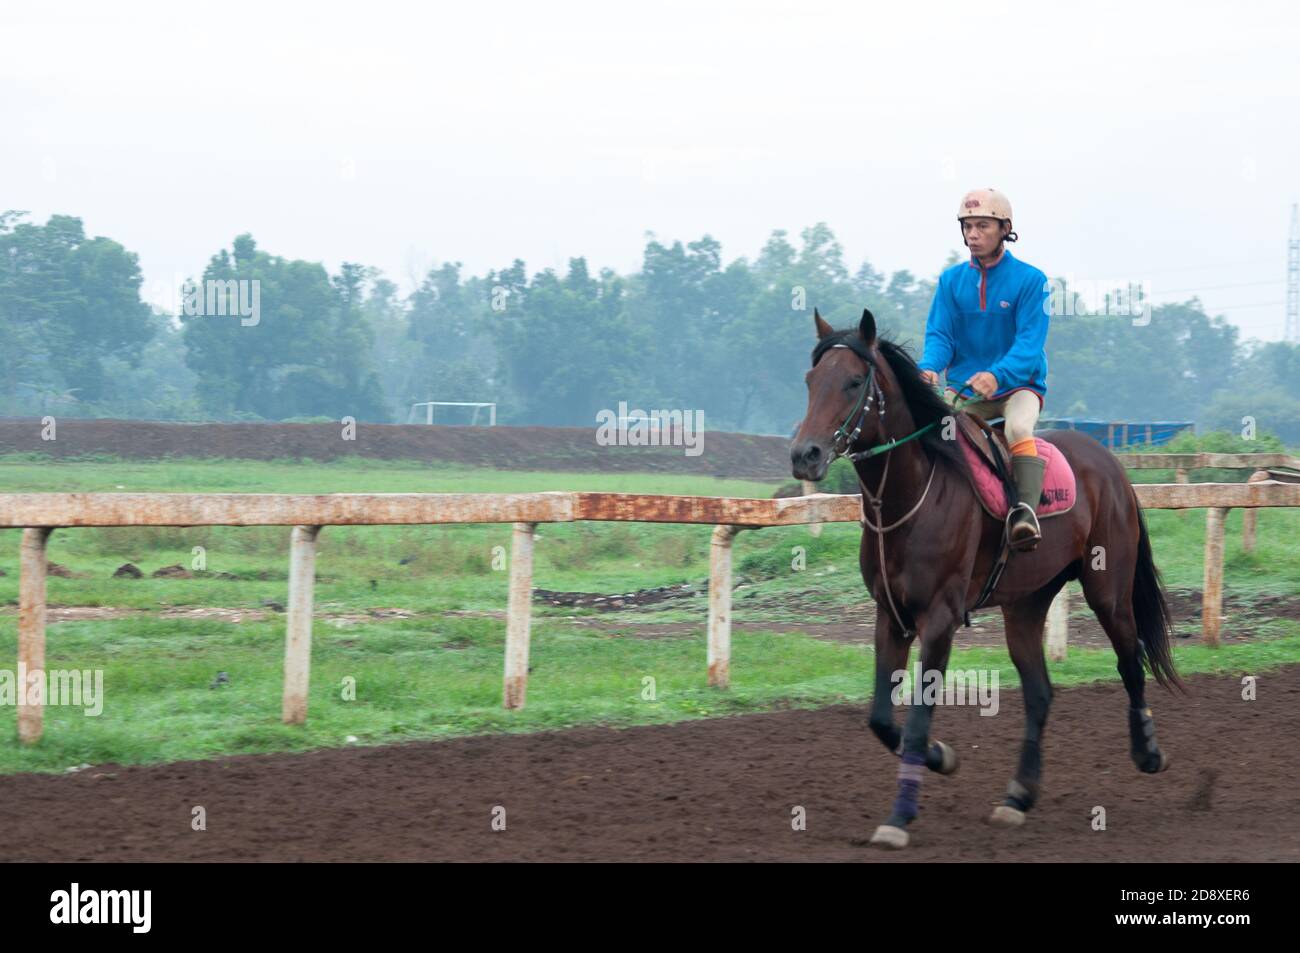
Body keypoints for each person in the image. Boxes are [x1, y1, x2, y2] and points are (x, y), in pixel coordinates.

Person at [918, 187, 1050, 551]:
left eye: (982, 226)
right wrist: (929, 367)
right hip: (965, 389)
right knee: (933, 430)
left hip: (1018, 388)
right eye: (967, 227)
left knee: (1019, 427)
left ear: (1005, 228)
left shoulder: (1032, 281)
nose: (972, 235)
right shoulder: (950, 281)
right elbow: (940, 336)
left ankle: (1025, 513)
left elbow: (1029, 346)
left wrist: (997, 375)